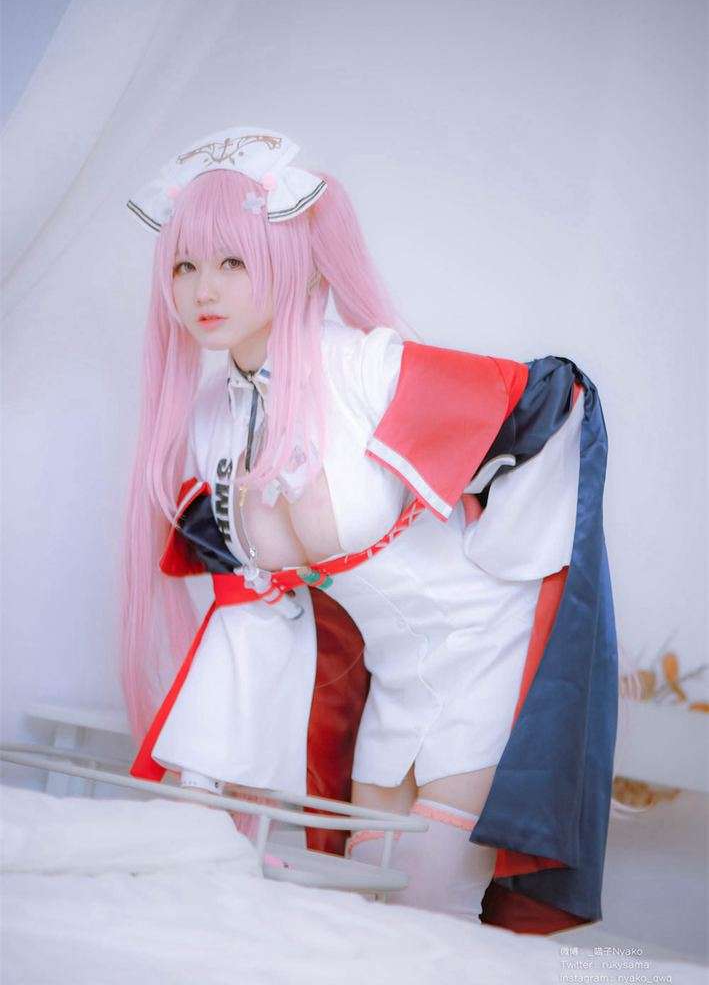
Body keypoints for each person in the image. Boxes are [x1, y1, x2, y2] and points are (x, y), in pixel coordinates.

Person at [121, 125, 618, 935]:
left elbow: (554, 406)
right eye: (183, 265)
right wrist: (213, 771)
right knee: (357, 917)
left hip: (485, 656)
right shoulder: (214, 420)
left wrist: (498, 551)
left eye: (232, 262)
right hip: (393, 681)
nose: (202, 289)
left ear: (291, 261)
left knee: (422, 915)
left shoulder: (365, 366)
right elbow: (257, 610)